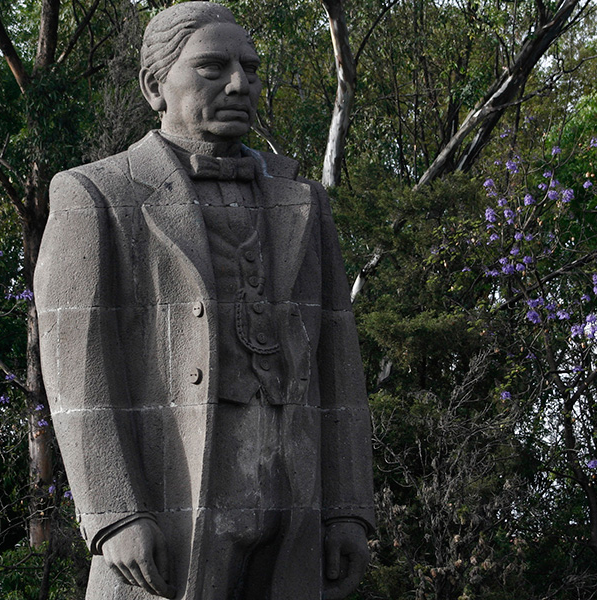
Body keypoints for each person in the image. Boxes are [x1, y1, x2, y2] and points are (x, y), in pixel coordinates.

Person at [35, 3, 373, 598]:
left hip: (291, 516)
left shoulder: (303, 202)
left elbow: (338, 368)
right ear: (153, 86)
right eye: (213, 68)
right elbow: (78, 374)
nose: (239, 83)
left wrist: (347, 508)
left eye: (250, 68)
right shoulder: (95, 194)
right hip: (167, 516)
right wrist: (115, 514)